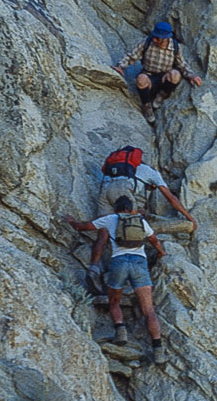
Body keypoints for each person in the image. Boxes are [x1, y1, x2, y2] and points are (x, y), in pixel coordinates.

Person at [65, 196, 167, 362]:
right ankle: (158, 350)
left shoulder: (111, 219)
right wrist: (161, 252)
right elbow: (154, 239)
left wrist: (72, 221)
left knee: (114, 301)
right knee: (149, 310)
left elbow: (83, 227)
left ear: (115, 209)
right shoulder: (140, 221)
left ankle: (121, 331)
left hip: (119, 262)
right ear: (130, 208)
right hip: (139, 263)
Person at [113, 21, 202, 124]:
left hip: (164, 77)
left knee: (175, 74)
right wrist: (121, 66)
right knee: (141, 79)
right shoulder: (147, 42)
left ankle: (161, 96)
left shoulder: (175, 47)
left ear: (166, 38)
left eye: (157, 38)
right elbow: (131, 56)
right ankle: (147, 107)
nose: (154, 39)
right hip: (149, 76)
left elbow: (182, 65)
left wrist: (192, 75)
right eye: (154, 36)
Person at [97, 148, 197, 230]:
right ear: (152, 185)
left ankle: (96, 252)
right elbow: (171, 198)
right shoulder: (153, 173)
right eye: (150, 189)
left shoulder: (129, 168)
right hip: (122, 188)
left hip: (105, 187)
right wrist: (189, 217)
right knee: (133, 225)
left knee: (103, 229)